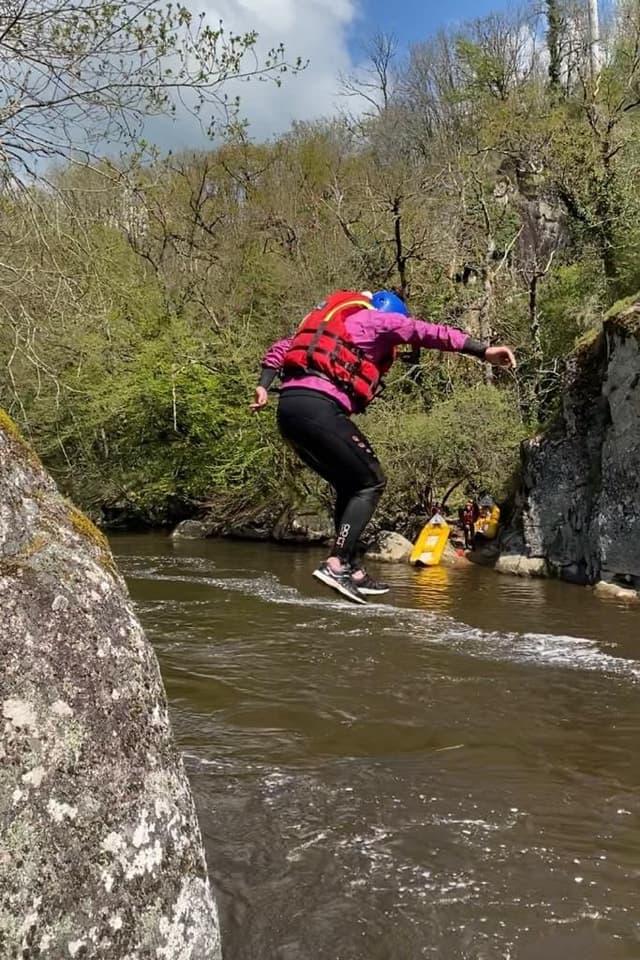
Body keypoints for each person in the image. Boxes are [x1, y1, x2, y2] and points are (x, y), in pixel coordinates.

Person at [251, 289, 516, 603]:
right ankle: (336, 564)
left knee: (349, 484)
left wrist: (263, 386)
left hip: (289, 413)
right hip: (318, 409)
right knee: (371, 482)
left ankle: (352, 567)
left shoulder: (329, 322)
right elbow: (428, 332)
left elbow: (281, 348)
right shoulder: (377, 321)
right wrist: (482, 350)